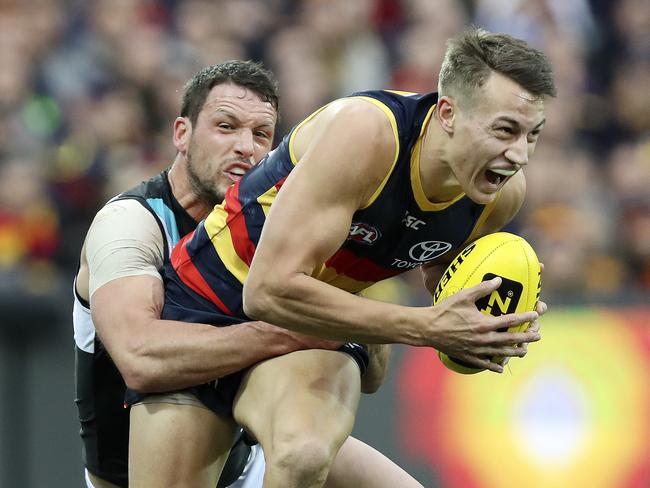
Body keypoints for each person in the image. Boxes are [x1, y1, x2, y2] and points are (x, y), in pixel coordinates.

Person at [134, 28, 553, 488]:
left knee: (304, 456)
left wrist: (488, 321)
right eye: (505, 130)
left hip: (312, 329)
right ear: (448, 113)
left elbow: (441, 280)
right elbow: (268, 290)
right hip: (206, 309)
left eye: (532, 135)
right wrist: (425, 326)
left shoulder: (501, 195)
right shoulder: (367, 132)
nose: (519, 155)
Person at [75, 60, 421, 488]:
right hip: (135, 474)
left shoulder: (281, 226)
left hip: (244, 458)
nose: (246, 147)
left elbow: (371, 376)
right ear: (181, 133)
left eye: (261, 135)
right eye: (226, 126)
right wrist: (295, 330)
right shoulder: (132, 223)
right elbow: (140, 359)